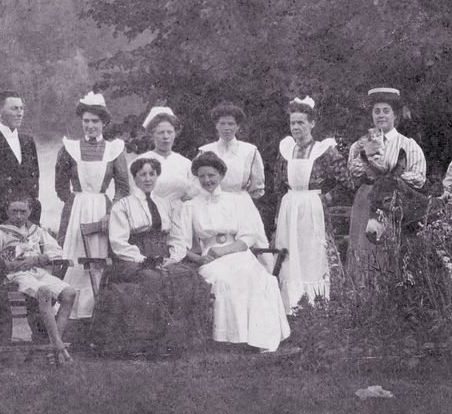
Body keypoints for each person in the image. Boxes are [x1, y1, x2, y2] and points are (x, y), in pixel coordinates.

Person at [94, 157, 211, 355]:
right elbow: (118, 242)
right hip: (132, 261)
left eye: (152, 174)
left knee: (188, 276)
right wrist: (143, 260)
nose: (148, 179)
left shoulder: (166, 204)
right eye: (142, 175)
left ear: (157, 176)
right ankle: (150, 342)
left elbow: (176, 237)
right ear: (135, 178)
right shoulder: (123, 206)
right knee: (153, 279)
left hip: (163, 258)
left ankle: (179, 339)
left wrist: (173, 258)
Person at [182, 152, 290, 352]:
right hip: (210, 259)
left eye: (211, 175)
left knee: (260, 279)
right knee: (226, 279)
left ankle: (259, 338)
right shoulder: (191, 206)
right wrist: (199, 258)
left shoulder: (236, 201)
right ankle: (233, 338)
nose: (207, 180)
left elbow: (248, 237)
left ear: (221, 176)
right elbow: (182, 245)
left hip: (238, 253)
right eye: (202, 176)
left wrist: (224, 250)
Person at [55, 91, 130, 319]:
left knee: (98, 261)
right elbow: (59, 186)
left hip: (103, 209)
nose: (90, 126)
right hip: (76, 206)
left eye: (95, 121)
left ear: (104, 123)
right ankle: (67, 314)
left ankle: (95, 315)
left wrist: (112, 213)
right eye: (86, 121)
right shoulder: (69, 148)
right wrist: (73, 203)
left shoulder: (114, 149)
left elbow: (123, 188)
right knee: (71, 258)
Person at [346, 88, 427, 289]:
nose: (381, 115)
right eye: (376, 111)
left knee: (388, 250)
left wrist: (392, 179)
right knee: (363, 248)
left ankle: (388, 297)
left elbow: (418, 177)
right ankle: (362, 299)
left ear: (395, 115)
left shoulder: (407, 144)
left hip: (392, 201)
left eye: (386, 111)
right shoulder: (359, 145)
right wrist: (365, 154)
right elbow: (353, 175)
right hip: (366, 198)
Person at [273, 96, 348, 312]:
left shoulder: (324, 151)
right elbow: (279, 185)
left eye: (301, 122)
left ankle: (318, 303)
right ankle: (290, 305)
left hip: (313, 207)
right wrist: (279, 212)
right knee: (289, 253)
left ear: (312, 123)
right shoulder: (286, 149)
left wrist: (327, 198)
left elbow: (347, 182)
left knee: (313, 253)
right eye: (292, 123)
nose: (296, 127)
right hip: (289, 207)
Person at [0, 194, 76, 365]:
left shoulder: (37, 231)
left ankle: (53, 345)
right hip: (17, 277)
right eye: (14, 211)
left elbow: (57, 250)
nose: (19, 216)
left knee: (69, 293)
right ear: (7, 211)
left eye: (23, 211)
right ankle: (59, 348)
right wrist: (6, 265)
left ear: (30, 211)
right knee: (44, 291)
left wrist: (40, 258)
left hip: (39, 272)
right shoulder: (0, 233)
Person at [0, 91, 41, 228]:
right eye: (14, 108)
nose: (20, 113)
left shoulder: (28, 141)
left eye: (21, 108)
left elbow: (34, 182)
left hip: (28, 220)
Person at [197, 102, 265, 201]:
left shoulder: (249, 151)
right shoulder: (205, 151)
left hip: (239, 204)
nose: (226, 128)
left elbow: (256, 187)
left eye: (231, 124)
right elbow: (197, 182)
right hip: (212, 203)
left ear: (238, 126)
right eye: (222, 123)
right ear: (216, 125)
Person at [136, 106, 199, 202]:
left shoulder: (185, 163)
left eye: (169, 132)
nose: (166, 137)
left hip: (181, 213)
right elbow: (136, 194)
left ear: (175, 133)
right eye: (161, 132)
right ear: (152, 134)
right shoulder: (140, 162)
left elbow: (195, 192)